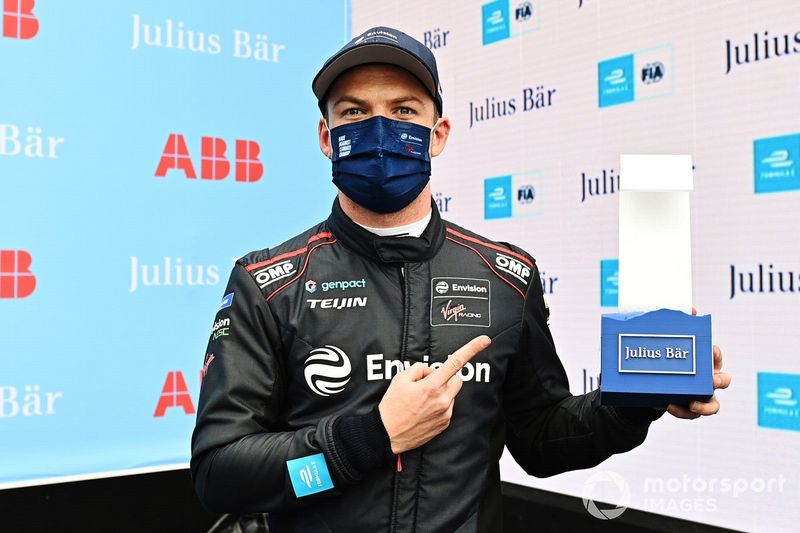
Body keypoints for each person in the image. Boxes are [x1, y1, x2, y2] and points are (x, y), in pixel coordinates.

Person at [190, 26, 731, 533]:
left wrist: (635, 399)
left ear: (438, 133)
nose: (379, 129)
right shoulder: (269, 283)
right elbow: (221, 474)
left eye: (403, 110)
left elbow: (540, 441)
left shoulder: (505, 277)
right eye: (355, 113)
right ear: (327, 138)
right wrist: (367, 439)